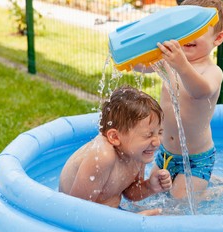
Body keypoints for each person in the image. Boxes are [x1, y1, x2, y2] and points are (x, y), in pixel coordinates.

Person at [139, 0, 223, 199]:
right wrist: (130, 56)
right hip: (165, 153)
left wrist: (181, 65)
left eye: (197, 30)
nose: (189, 35)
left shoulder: (213, 71)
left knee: (180, 205)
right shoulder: (170, 62)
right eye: (185, 28)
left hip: (196, 159)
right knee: (149, 194)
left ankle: (220, 191)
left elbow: (201, 91)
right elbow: (141, 67)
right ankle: (207, 187)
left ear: (218, 37)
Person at [59, 85, 172, 215]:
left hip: (108, 216)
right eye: (148, 135)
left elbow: (129, 192)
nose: (157, 142)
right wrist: (130, 223)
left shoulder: (138, 152)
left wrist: (150, 187)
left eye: (160, 132)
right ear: (115, 137)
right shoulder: (102, 156)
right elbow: (74, 211)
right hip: (81, 218)